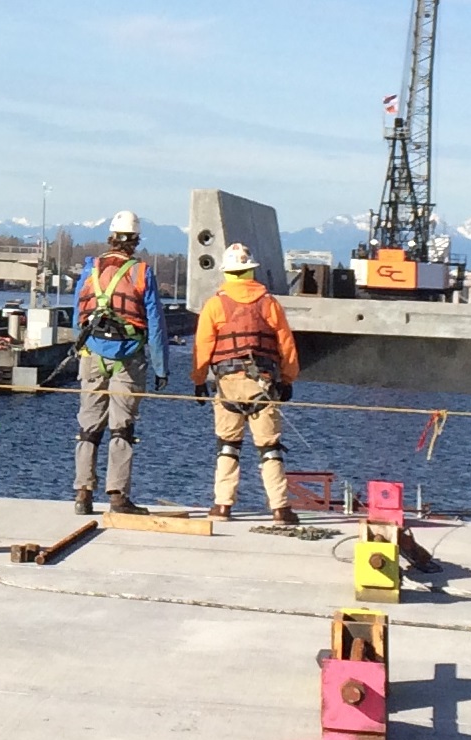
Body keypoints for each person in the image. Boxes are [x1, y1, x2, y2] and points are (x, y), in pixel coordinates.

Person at [191, 243, 300, 524]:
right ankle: (280, 509)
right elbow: (286, 344)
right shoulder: (270, 304)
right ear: (251, 270)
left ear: (227, 273)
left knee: (228, 444)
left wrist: (199, 380)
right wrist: (288, 379)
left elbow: (203, 346)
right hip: (263, 385)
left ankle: (223, 506)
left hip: (228, 384)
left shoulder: (215, 304)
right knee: (269, 447)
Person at [72, 210, 169, 515]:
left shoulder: (91, 269)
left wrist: (82, 349)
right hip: (127, 358)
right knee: (121, 428)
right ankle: (117, 496)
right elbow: (155, 323)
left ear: (110, 238)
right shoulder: (142, 273)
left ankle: (82, 494)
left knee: (88, 427)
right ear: (135, 241)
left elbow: (79, 316)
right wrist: (160, 367)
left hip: (91, 357)